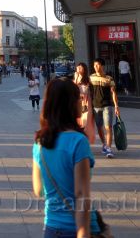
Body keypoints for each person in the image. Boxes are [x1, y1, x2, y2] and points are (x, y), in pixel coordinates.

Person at [32, 77, 101, 238]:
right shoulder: (78, 142)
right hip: (76, 228)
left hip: (51, 227)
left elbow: (38, 190)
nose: (81, 101)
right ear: (69, 104)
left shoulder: (39, 142)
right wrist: (83, 232)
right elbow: (81, 194)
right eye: (78, 97)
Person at [89, 57, 119, 158]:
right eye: (94, 65)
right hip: (96, 106)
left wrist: (116, 106)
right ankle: (104, 144)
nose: (95, 67)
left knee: (108, 127)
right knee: (99, 127)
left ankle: (109, 148)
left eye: (97, 65)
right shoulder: (91, 78)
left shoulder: (109, 78)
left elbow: (113, 93)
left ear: (102, 66)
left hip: (107, 105)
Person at [73, 63, 95, 145]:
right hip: (78, 104)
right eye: (77, 67)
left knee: (86, 123)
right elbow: (73, 89)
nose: (78, 68)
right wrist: (76, 78)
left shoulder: (88, 79)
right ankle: (81, 143)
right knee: (79, 123)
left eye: (80, 67)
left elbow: (88, 91)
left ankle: (86, 142)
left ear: (84, 69)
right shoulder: (76, 78)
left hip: (86, 103)